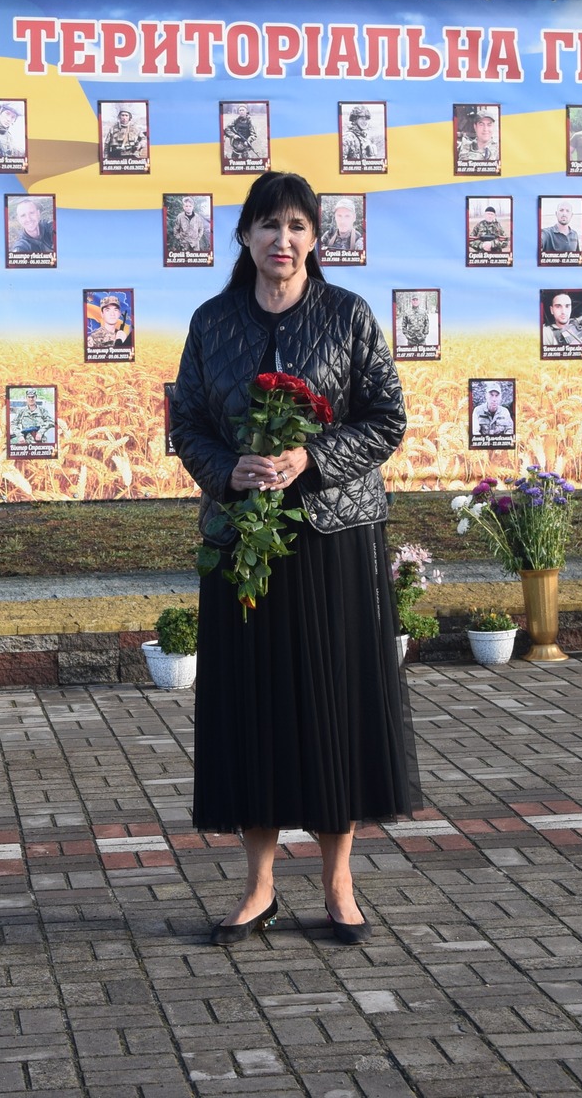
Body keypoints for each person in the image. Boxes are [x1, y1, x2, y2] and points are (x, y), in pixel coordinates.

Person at [169, 170, 414, 947]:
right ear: (244, 235)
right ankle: (259, 887)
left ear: (315, 238)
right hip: (244, 544)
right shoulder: (212, 323)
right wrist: (226, 468)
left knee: (332, 706)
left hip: (332, 539)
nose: (283, 239)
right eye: (269, 225)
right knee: (254, 710)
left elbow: (387, 418)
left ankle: (339, 884)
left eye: (298, 226)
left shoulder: (348, 316)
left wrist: (312, 457)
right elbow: (188, 423)